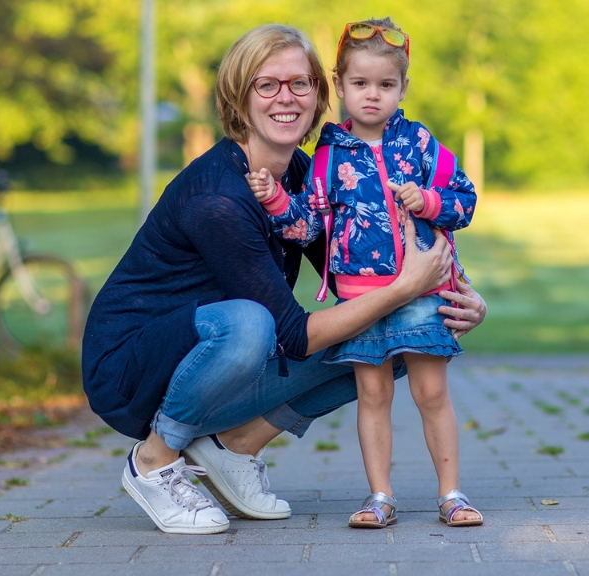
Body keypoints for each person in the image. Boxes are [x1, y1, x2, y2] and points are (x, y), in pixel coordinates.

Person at [80, 23, 487, 536]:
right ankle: (154, 460)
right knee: (253, 324)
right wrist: (404, 288)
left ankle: (234, 448)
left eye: (299, 83)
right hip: (134, 367)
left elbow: (350, 269)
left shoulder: (306, 172)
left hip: (214, 358)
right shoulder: (218, 199)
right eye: (267, 84)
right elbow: (293, 334)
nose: (286, 97)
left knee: (397, 336)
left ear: (320, 92)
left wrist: (450, 298)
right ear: (239, 95)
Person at [249, 17, 481, 529]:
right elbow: (307, 225)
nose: (372, 95)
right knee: (373, 396)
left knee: (432, 394)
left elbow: (464, 200)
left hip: (424, 297)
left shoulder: (420, 143)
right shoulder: (328, 155)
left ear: (403, 87)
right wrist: (276, 200)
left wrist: (429, 201)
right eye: (360, 83)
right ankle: (380, 497)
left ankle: (452, 495)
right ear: (339, 85)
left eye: (385, 84)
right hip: (360, 302)